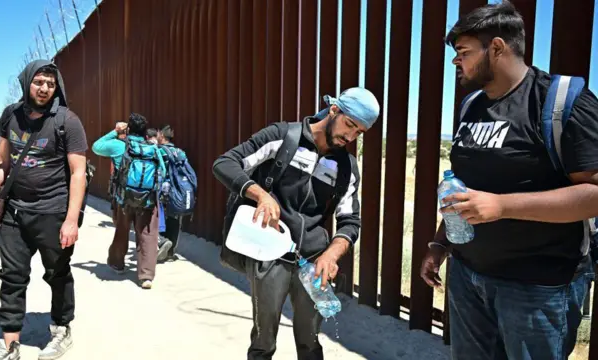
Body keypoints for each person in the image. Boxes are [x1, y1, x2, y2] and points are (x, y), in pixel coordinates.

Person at [420, 2, 598, 359]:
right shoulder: (472, 106)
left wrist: (502, 206)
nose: (457, 61)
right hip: (468, 276)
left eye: (464, 52)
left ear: (497, 48)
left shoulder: (561, 102)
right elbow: (464, 186)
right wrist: (440, 245)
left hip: (537, 288)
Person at [213, 87, 379, 359]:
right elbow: (225, 163)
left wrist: (331, 255)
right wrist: (261, 195)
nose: (350, 137)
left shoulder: (347, 166)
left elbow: (350, 220)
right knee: (263, 342)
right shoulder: (283, 136)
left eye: (359, 132)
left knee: (310, 343)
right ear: (334, 110)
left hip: (313, 262)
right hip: (270, 255)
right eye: (349, 125)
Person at [0, 59, 88, 360]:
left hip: (53, 212)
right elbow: (2, 162)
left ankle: (62, 328)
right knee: (12, 275)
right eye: (39, 82)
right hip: (15, 210)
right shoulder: (11, 116)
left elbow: (78, 173)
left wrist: (70, 220)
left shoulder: (67, 121)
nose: (44, 88)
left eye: (50, 84)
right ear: (27, 82)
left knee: (58, 273)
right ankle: (10, 343)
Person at [92, 113, 166, 289]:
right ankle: (146, 276)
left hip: (124, 199)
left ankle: (117, 263)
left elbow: (96, 146)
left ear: (129, 129)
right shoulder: (153, 149)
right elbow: (162, 170)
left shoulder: (119, 146)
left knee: (122, 231)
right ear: (145, 132)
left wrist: (115, 131)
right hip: (147, 201)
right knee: (147, 235)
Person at [157, 125, 183, 262]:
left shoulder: (159, 151)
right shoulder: (180, 152)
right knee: (174, 219)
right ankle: (171, 253)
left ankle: (163, 244)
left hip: (163, 189)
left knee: (161, 218)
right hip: (178, 190)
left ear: (162, 136)